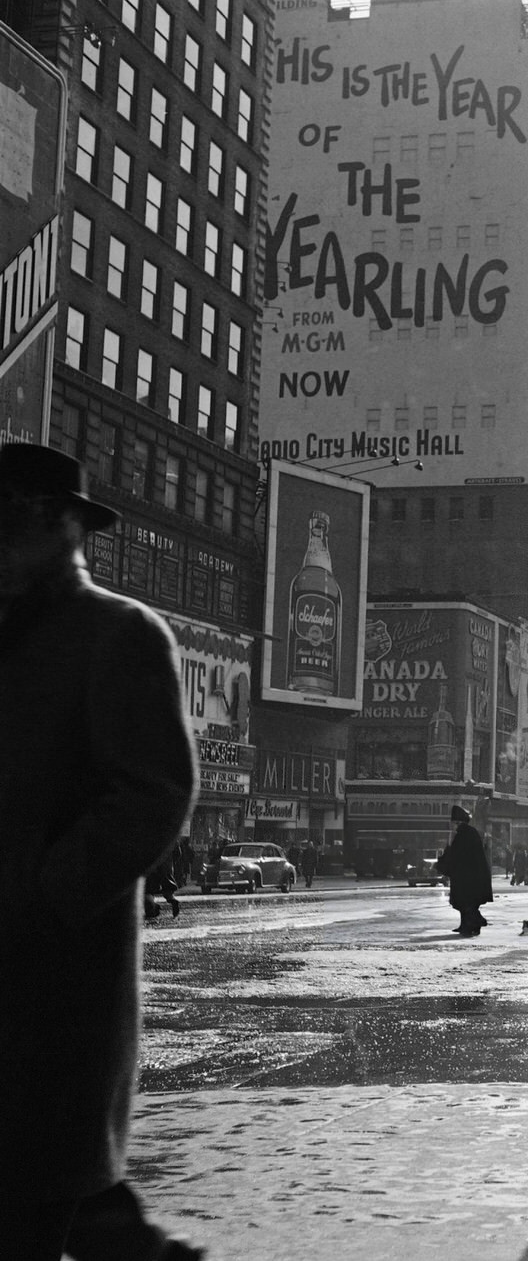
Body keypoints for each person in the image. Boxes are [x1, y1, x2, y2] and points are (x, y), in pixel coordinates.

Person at [0, 444, 202, 1259]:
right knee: (64, 1199)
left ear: (64, 528)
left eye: (12, 521)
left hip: (55, 982)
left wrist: (43, 894)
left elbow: (156, 792)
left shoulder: (117, 634)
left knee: (40, 1193)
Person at [438, 804, 493, 936]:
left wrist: (444, 863)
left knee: (466, 903)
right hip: (470, 876)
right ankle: (467, 925)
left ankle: (475, 922)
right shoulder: (468, 832)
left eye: (453, 822)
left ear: (457, 822)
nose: (451, 825)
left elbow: (457, 855)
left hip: (467, 878)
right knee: (467, 903)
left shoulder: (463, 834)